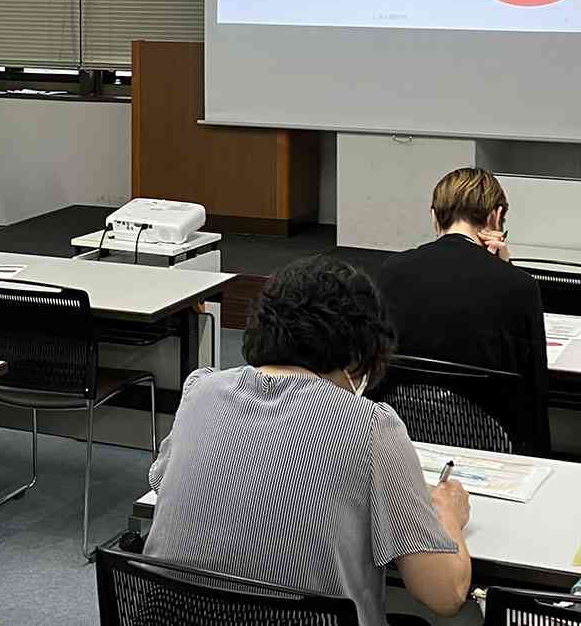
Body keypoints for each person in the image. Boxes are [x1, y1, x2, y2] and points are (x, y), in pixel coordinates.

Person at [144, 256, 471, 626]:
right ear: (361, 351)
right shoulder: (370, 427)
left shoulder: (199, 391)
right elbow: (444, 595)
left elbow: (161, 485)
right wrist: (449, 515)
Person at [377, 167, 549, 450]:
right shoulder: (520, 285)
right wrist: (507, 270)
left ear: (434, 216)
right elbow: (534, 385)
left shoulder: (390, 271)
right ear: (495, 216)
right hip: (491, 441)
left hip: (403, 434)